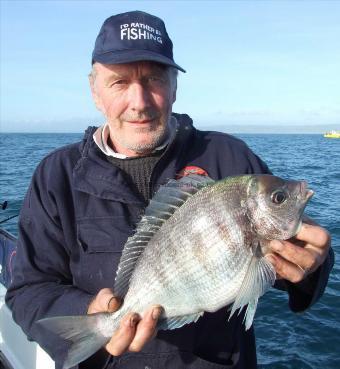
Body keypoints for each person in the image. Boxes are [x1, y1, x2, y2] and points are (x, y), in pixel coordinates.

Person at [6, 10, 333, 369]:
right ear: (95, 91)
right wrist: (87, 312)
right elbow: (28, 292)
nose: (140, 101)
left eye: (154, 79)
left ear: (175, 87)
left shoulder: (231, 157)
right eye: (119, 82)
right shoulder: (57, 176)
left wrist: (312, 267)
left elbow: (290, 266)